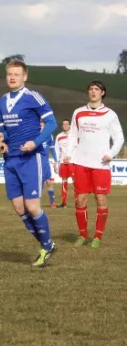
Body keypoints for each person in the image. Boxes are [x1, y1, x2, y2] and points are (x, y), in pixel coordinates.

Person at [0, 59, 57, 268]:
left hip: (30, 158)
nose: (12, 77)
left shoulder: (33, 97)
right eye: (10, 73)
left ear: (24, 77)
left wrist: (35, 143)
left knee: (32, 206)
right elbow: (4, 131)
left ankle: (45, 247)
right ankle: (48, 243)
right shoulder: (2, 101)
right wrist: (2, 142)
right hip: (11, 160)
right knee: (19, 208)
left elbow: (52, 122)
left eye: (17, 74)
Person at [64, 81, 124, 248]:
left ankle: (97, 236)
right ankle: (82, 235)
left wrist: (110, 154)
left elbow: (119, 138)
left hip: (100, 165)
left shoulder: (110, 115)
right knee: (80, 200)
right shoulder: (78, 112)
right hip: (81, 163)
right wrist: (69, 154)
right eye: (90, 89)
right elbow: (72, 136)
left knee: (101, 200)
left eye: (97, 89)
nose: (93, 92)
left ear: (102, 93)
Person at [54, 119, 74, 208]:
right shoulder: (59, 136)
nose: (65, 125)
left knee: (76, 182)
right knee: (64, 181)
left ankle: (78, 202)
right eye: (64, 124)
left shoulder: (74, 135)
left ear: (70, 125)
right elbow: (56, 150)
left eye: (67, 124)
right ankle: (64, 203)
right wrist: (55, 162)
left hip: (73, 162)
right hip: (63, 162)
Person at [40, 119, 57, 208]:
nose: (41, 125)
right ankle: (34, 202)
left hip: (45, 163)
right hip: (34, 163)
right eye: (40, 123)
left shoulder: (49, 136)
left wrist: (56, 161)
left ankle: (52, 202)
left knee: (49, 182)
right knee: (37, 184)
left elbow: (53, 149)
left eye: (42, 123)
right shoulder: (33, 135)